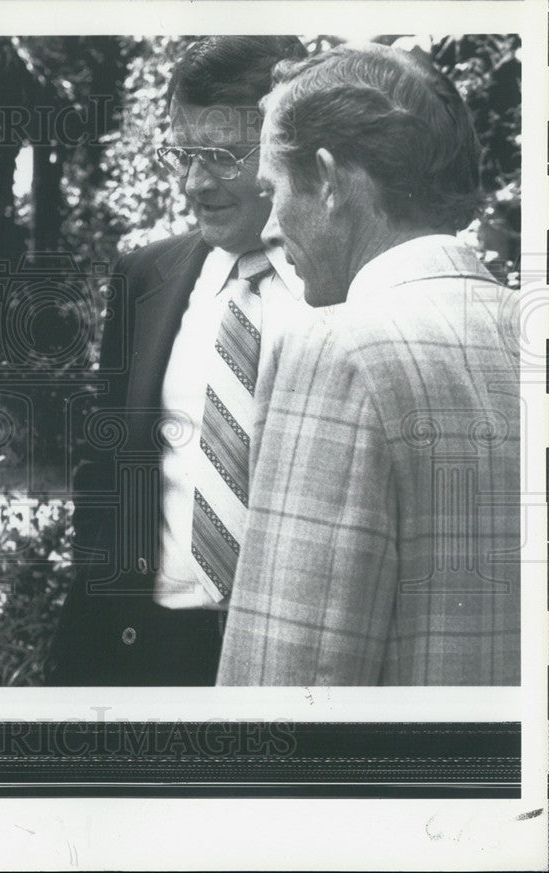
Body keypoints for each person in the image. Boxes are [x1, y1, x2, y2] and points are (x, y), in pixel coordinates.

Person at [217, 43, 520, 685]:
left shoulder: (339, 349)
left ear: (327, 181)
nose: (268, 226)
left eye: (274, 190)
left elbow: (289, 687)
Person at [45, 36, 308, 685]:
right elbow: (103, 469)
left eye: (220, 155)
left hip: (292, 652)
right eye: (182, 154)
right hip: (152, 646)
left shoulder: (346, 289)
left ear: (287, 145)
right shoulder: (146, 277)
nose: (195, 183)